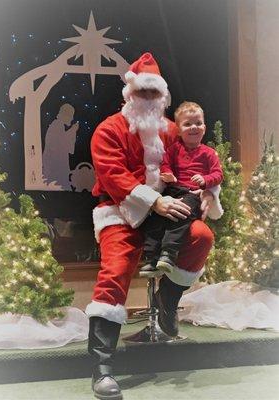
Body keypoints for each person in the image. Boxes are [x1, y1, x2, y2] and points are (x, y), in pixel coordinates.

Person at [85, 53, 223, 400]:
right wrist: (154, 200)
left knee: (202, 236)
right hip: (121, 212)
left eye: (153, 95)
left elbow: (200, 159)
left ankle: (166, 301)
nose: (147, 100)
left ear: (161, 98)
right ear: (129, 94)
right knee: (116, 270)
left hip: (166, 211)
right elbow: (114, 177)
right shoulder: (109, 130)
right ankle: (101, 367)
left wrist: (207, 191)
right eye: (141, 93)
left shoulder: (172, 130)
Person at [140, 101, 223, 275]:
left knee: (180, 214)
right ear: (178, 130)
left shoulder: (209, 153)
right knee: (156, 216)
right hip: (173, 190)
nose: (194, 127)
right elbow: (165, 165)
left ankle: (168, 253)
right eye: (188, 124)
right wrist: (168, 174)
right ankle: (151, 257)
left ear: (205, 127)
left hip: (194, 194)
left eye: (198, 123)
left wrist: (205, 180)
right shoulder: (173, 150)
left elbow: (218, 175)